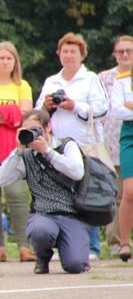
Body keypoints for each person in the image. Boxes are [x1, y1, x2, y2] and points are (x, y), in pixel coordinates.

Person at [35, 32, 109, 262]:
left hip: (84, 145)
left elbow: (102, 109)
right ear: (59, 54)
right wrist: (49, 107)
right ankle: (66, 246)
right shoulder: (51, 81)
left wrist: (73, 105)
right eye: (64, 51)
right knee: (62, 197)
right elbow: (38, 113)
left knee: (87, 195)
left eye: (73, 52)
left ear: (81, 55)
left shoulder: (90, 79)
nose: (68, 56)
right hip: (57, 146)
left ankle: (93, 247)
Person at [0, 110, 88, 274]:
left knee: (75, 265)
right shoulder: (26, 155)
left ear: (48, 127)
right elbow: (0, 179)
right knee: (40, 231)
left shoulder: (66, 145)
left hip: (71, 214)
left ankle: (72, 246)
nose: (31, 133)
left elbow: (77, 172)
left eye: (35, 129)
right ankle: (42, 257)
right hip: (43, 214)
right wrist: (18, 150)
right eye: (26, 130)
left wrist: (48, 152)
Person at [0, 41, 35, 262]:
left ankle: (25, 245)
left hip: (14, 146)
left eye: (9, 58)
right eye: (1, 57)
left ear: (15, 62)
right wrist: (11, 113)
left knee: (16, 194)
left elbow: (25, 113)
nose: (5, 62)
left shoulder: (22, 85)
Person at [100, 35, 133, 256]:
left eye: (129, 50)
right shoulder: (113, 78)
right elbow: (116, 110)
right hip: (120, 137)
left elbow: (125, 107)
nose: (125, 54)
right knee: (123, 192)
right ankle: (120, 243)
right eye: (120, 50)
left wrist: (130, 104)